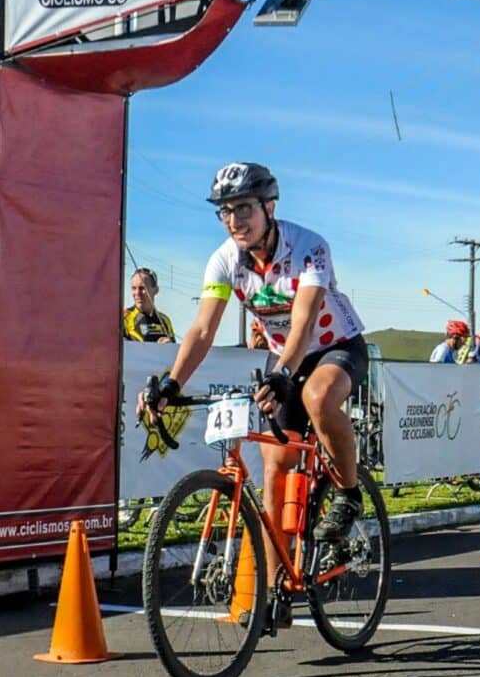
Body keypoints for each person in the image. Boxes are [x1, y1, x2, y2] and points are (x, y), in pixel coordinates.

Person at [143, 162, 369, 558]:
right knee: (276, 468)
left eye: (243, 208)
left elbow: (304, 321)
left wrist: (283, 372)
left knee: (317, 397)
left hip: (336, 346)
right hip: (284, 360)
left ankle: (349, 494)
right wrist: (171, 384)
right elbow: (202, 330)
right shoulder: (224, 260)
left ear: (269, 207)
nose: (234, 220)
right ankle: (273, 587)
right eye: (225, 211)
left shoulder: (309, 247)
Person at [122, 267, 175, 342]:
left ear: (156, 290)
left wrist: (169, 345)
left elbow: (175, 351)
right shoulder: (124, 317)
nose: (137, 293)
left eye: (142, 288)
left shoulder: (165, 320)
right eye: (134, 288)